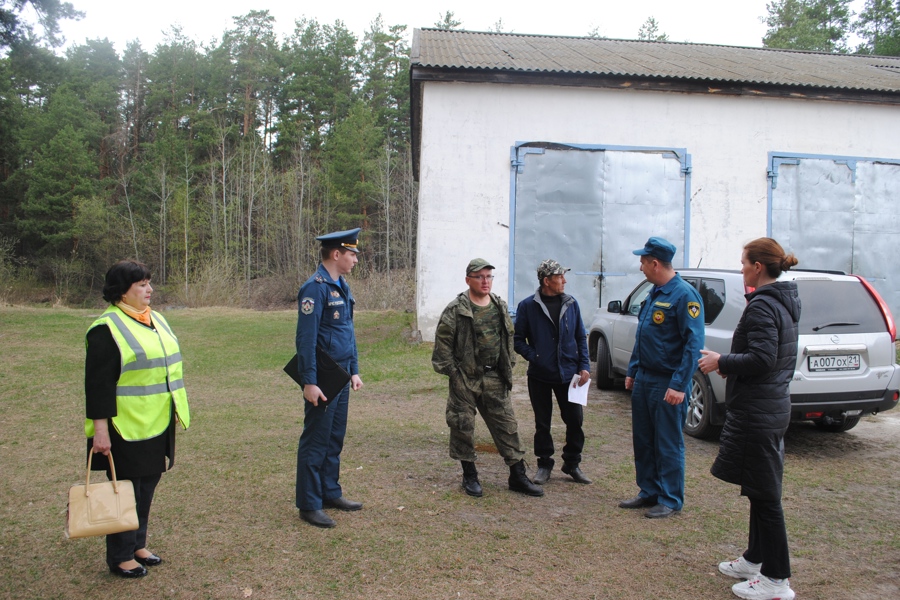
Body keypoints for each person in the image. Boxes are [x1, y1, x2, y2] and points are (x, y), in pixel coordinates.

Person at [698, 238, 799, 600]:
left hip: (761, 411)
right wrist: (730, 365)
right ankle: (755, 558)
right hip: (766, 406)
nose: (740, 268)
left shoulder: (762, 306)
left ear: (758, 266)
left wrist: (721, 362)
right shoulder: (781, 302)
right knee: (758, 489)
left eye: (743, 262)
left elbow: (762, 358)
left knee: (767, 495)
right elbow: (763, 358)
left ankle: (776, 580)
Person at [84, 260, 191, 578]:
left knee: (148, 485)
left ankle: (137, 544)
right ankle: (120, 556)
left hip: (157, 420)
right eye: (142, 285)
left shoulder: (154, 319)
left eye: (148, 282)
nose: (150, 289)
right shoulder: (106, 329)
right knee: (126, 490)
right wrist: (100, 430)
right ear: (122, 293)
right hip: (124, 426)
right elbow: (98, 387)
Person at [432, 258, 544, 498]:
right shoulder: (456, 309)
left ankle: (517, 475)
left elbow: (508, 337)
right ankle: (469, 476)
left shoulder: (499, 305)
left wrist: (507, 366)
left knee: (507, 425)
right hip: (466, 378)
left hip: (494, 375)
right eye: (479, 276)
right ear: (468, 280)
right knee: (462, 426)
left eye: (489, 276)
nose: (485, 281)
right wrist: (454, 373)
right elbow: (442, 345)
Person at [618, 237, 704, 519]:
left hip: (668, 381)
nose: (641, 266)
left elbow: (692, 345)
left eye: (643, 261)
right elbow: (644, 335)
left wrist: (679, 385)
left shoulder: (684, 296)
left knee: (667, 441)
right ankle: (649, 490)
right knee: (643, 438)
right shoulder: (655, 293)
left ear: (655, 263)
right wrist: (632, 371)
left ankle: (670, 498)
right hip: (645, 378)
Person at [295, 228, 365, 528]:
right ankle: (309, 503)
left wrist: (354, 370)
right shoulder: (315, 288)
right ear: (336, 254)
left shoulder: (342, 285)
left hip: (341, 374)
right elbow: (306, 339)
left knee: (334, 437)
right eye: (352, 254)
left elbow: (347, 331)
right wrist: (309, 382)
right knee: (316, 439)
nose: (355, 260)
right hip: (323, 378)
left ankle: (329, 491)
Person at [514, 259, 592, 485]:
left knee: (575, 420)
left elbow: (580, 337)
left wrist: (584, 366)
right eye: (560, 277)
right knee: (542, 423)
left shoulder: (571, 304)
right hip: (539, 375)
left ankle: (572, 463)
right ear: (547, 281)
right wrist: (535, 356)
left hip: (569, 375)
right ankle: (544, 464)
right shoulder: (528, 306)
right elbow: (518, 340)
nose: (564, 280)